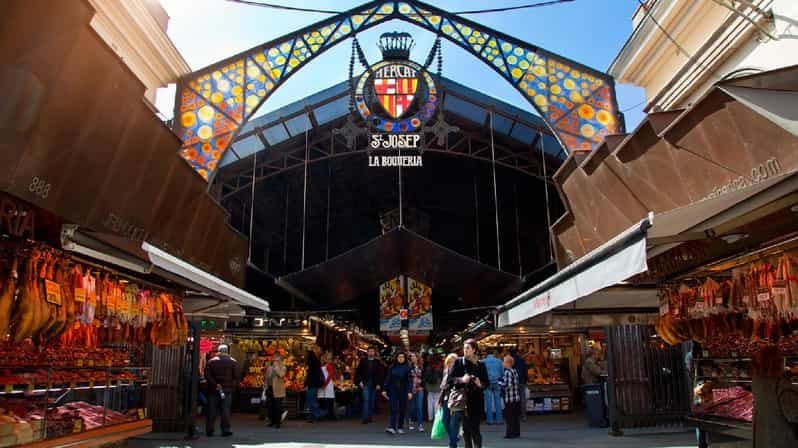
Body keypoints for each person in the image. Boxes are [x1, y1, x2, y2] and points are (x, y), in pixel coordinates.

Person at [447, 339, 489, 448]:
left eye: (468, 348)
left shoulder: (481, 365)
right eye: (464, 348)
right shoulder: (458, 362)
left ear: (474, 350)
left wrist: (480, 384)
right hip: (463, 402)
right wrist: (461, 379)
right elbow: (450, 380)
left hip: (476, 401)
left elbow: (487, 383)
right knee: (466, 431)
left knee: (475, 429)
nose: (465, 350)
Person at [204, 345, 242, 437]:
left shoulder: (211, 361)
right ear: (227, 351)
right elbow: (237, 377)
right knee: (225, 411)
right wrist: (231, 386)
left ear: (219, 351)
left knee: (212, 410)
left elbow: (207, 376)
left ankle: (210, 430)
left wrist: (215, 384)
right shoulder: (233, 362)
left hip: (214, 390)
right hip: (227, 391)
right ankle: (225, 430)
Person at [382, 352, 412, 435]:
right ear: (396, 358)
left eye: (402, 357)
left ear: (405, 358)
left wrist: (409, 391)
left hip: (403, 390)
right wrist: (384, 389)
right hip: (393, 390)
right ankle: (392, 427)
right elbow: (388, 378)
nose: (401, 358)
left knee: (402, 409)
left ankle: (400, 427)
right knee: (393, 408)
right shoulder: (392, 367)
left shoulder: (407, 367)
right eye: (399, 357)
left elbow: (410, 381)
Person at [355, 347, 384, 424]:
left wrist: (379, 384)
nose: (371, 353)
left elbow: (380, 374)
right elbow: (358, 372)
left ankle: (370, 417)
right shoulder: (363, 361)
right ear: (367, 352)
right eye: (369, 351)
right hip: (365, 383)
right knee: (366, 400)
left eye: (372, 351)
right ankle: (365, 418)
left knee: (372, 401)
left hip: (374, 384)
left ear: (374, 353)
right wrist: (359, 381)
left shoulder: (377, 362)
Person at [438, 353, 460, 448]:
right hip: (446, 397)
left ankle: (452, 444)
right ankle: (454, 437)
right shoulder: (445, 371)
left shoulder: (460, 372)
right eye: (449, 362)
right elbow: (443, 388)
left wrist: (449, 384)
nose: (451, 363)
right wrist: (440, 400)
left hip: (456, 398)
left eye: (453, 362)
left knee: (454, 422)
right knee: (444, 420)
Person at [498, 355, 521, 439]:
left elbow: (508, 385)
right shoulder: (514, 371)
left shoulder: (507, 372)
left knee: (509, 417)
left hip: (509, 398)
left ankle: (510, 433)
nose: (502, 363)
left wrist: (499, 383)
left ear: (508, 363)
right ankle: (516, 432)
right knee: (515, 417)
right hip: (516, 397)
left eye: (504, 361)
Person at [265, 353, 288, 429]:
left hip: (278, 390)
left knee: (277, 407)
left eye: (277, 360)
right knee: (271, 406)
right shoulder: (270, 368)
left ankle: (278, 423)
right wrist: (266, 386)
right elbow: (267, 378)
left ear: (280, 360)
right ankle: (272, 421)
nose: (275, 361)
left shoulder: (283, 368)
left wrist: (276, 367)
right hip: (271, 388)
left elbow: (281, 375)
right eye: (274, 360)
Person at [482, 349, 503, 425]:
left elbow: (481, 374)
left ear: (486, 354)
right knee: (498, 401)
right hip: (497, 382)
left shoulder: (483, 362)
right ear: (493, 353)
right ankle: (499, 420)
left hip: (487, 383)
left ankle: (490, 420)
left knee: (488, 401)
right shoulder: (499, 361)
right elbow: (502, 373)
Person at [305, 345, 325, 423]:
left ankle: (319, 413)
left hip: (313, 383)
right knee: (311, 399)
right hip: (313, 382)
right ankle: (312, 417)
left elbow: (310, 359)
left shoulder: (315, 359)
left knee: (311, 399)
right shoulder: (316, 359)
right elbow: (310, 360)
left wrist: (310, 351)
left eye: (315, 349)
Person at [424, 355, 444, 422]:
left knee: (430, 402)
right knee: (436, 402)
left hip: (429, 386)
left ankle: (430, 417)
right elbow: (441, 376)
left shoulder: (428, 367)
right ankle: (436, 417)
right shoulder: (440, 367)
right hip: (437, 385)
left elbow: (425, 377)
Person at [510, 348, 528, 421]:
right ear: (517, 352)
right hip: (522, 381)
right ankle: (523, 415)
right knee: (522, 399)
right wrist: (525, 380)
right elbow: (525, 371)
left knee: (514, 399)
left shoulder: (511, 361)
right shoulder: (522, 360)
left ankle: (515, 415)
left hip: (513, 382)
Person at [408, 352, 424, 432]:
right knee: (411, 407)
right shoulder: (408, 367)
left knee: (419, 407)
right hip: (411, 389)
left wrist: (422, 384)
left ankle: (420, 424)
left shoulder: (422, 367)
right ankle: (410, 422)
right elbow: (407, 378)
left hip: (419, 389)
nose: (413, 358)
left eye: (414, 356)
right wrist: (408, 390)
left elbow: (425, 377)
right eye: (411, 357)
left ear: (418, 358)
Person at [319, 352, 337, 420]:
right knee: (327, 400)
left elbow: (330, 376)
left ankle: (327, 415)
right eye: (328, 359)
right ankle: (328, 415)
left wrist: (324, 384)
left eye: (329, 359)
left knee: (327, 400)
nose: (329, 360)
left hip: (327, 385)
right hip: (325, 384)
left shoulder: (329, 366)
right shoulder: (325, 366)